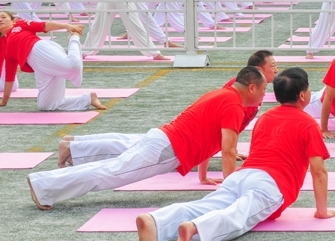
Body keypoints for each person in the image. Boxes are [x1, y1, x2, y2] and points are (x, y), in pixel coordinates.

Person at [135, 67, 335, 241]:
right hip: (270, 185)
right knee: (238, 216)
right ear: (303, 95)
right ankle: (195, 231)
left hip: (242, 176)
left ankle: (155, 221)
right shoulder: (308, 124)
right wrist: (321, 212)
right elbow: (318, 170)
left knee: (205, 205)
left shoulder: (265, 118)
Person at [26, 66, 266, 210]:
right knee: (110, 173)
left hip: (163, 140)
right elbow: (227, 151)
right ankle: (45, 185)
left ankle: (48, 181)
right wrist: (233, 191)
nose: (265, 95)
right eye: (264, 90)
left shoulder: (222, 94)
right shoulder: (233, 105)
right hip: (167, 148)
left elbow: (213, 143)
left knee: (110, 168)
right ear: (252, 87)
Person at [58, 51, 278, 168]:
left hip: (184, 135)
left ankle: (75, 143)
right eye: (273, 67)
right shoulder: (239, 93)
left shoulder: (248, 92)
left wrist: (227, 148)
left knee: (131, 143)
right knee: (128, 148)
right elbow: (223, 127)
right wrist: (226, 150)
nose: (276, 70)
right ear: (257, 72)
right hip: (184, 137)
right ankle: (75, 147)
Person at [0, 11, 104, 111]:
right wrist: (4, 101)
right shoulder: (7, 50)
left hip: (41, 50)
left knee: (73, 66)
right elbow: (9, 77)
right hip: (39, 67)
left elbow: (44, 25)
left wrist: (67, 26)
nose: (0, 20)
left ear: (13, 21)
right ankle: (88, 99)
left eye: (3, 17)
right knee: (47, 105)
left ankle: (74, 37)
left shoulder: (20, 25)